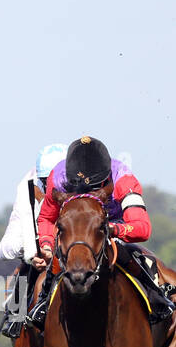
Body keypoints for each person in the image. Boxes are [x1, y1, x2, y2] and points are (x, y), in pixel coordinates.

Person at [23, 135, 173, 329]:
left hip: (113, 225)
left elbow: (142, 228)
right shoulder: (57, 177)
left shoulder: (123, 179)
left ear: (106, 180)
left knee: (124, 251)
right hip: (75, 228)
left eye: (95, 188)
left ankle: (156, 298)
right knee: (57, 257)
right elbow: (47, 218)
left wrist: (112, 229)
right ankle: (40, 304)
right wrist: (45, 244)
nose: (88, 194)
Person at [0, 144, 66, 337]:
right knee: (27, 271)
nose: (50, 186)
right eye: (45, 181)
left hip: (75, 252)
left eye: (57, 181)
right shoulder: (27, 188)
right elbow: (4, 250)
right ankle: (16, 319)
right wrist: (31, 255)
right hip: (41, 257)